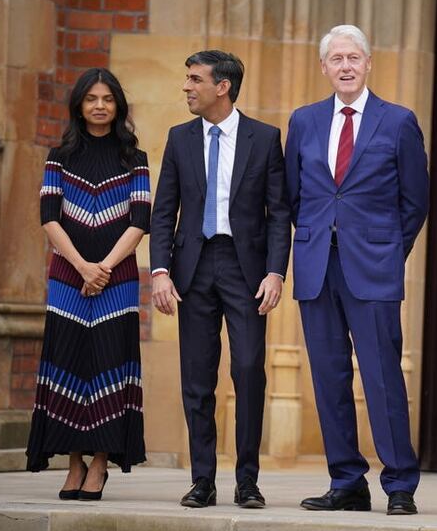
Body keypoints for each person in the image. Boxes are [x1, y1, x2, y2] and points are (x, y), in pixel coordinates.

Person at [285, 25, 429, 515]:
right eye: (336, 59)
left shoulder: (398, 121)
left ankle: (400, 484)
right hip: (316, 267)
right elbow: (293, 197)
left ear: (369, 64)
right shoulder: (303, 121)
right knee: (327, 377)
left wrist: (388, 251)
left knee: (383, 376)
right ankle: (346, 480)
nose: (345, 66)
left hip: (373, 268)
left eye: (354, 57)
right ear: (324, 67)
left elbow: (415, 201)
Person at [149, 50, 290, 509]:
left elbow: (279, 213)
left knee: (249, 370)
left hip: (245, 268)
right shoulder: (179, 137)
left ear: (222, 86)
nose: (187, 87)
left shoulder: (265, 138)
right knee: (197, 377)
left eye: (195, 80)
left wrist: (275, 271)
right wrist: (160, 271)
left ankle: (247, 481)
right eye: (186, 79)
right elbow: (164, 209)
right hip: (192, 267)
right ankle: (202, 480)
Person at [26, 68, 150, 501]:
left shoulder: (135, 159)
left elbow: (140, 222)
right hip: (67, 279)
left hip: (117, 283)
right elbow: (49, 217)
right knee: (70, 362)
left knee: (109, 364)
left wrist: (104, 268)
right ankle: (74, 462)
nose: (100, 106)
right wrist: (82, 267)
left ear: (118, 105)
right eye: (91, 98)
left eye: (108, 99)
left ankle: (100, 463)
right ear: (79, 105)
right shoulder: (58, 156)